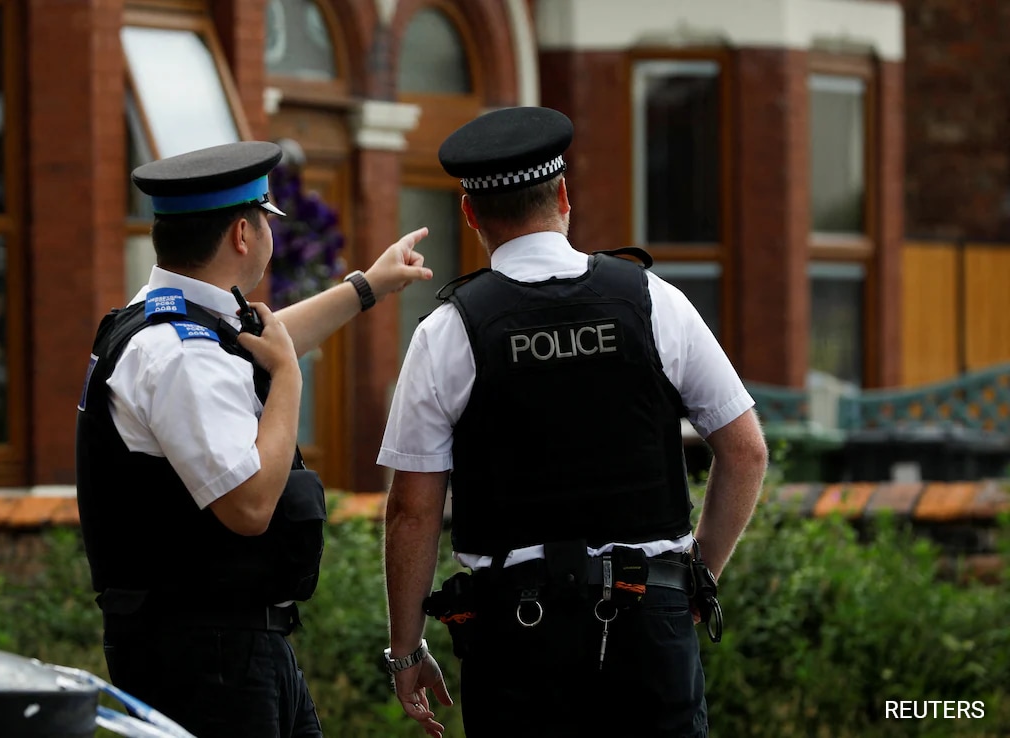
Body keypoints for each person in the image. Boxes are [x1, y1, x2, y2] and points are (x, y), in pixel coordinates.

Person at [379, 107, 769, 738]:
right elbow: (745, 451)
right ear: (563, 195)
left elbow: (412, 511)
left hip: (516, 640)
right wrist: (697, 579)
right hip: (651, 624)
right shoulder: (654, 301)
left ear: (471, 215)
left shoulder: (446, 333)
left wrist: (406, 650)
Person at [75, 140, 432, 738]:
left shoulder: (171, 319)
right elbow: (249, 506)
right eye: (267, 218)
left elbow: (259, 344)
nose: (270, 230)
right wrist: (290, 381)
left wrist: (369, 286)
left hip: (221, 642)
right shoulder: (180, 355)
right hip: (207, 655)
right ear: (243, 233)